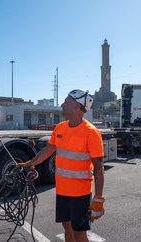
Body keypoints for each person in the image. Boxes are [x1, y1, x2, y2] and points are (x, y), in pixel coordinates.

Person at [16, 89, 105, 242]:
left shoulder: (91, 132)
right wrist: (31, 164)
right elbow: (48, 150)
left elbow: (99, 167)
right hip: (62, 190)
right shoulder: (60, 128)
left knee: (79, 232)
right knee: (67, 226)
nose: (62, 105)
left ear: (77, 107)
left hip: (80, 193)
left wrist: (98, 198)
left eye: (66, 102)